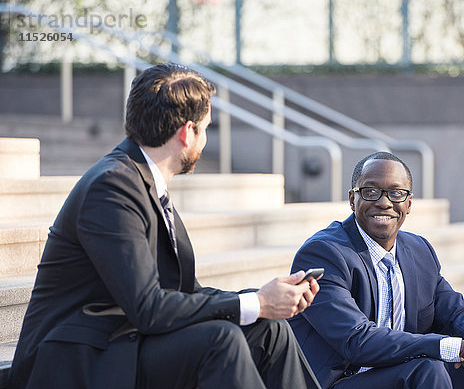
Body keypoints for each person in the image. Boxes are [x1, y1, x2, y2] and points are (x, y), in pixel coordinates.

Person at [9, 63, 321, 389]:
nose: (204, 138)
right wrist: (256, 303)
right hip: (82, 356)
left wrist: (262, 300)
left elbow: (186, 292)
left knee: (269, 330)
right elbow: (149, 308)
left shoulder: (141, 180)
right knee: (221, 339)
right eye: (206, 129)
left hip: (127, 337)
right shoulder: (112, 186)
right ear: (187, 133)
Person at [288, 152, 464, 389]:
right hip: (341, 380)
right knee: (426, 369)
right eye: (371, 192)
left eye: (396, 193)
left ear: (409, 203)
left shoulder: (419, 250)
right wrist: (448, 346)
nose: (384, 202)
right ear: (352, 199)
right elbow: (357, 340)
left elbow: (454, 309)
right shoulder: (324, 253)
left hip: (401, 371)